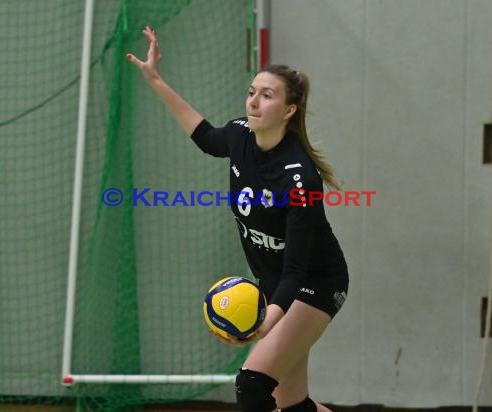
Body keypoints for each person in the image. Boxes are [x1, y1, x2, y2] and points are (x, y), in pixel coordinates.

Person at [127, 26, 349, 412]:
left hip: (315, 284)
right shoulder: (240, 136)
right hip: (275, 282)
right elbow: (205, 136)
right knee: (294, 406)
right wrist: (156, 79)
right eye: (252, 92)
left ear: (289, 110)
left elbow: (296, 270)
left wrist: (267, 322)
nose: (254, 102)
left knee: (252, 384)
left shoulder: (300, 178)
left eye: (267, 95)